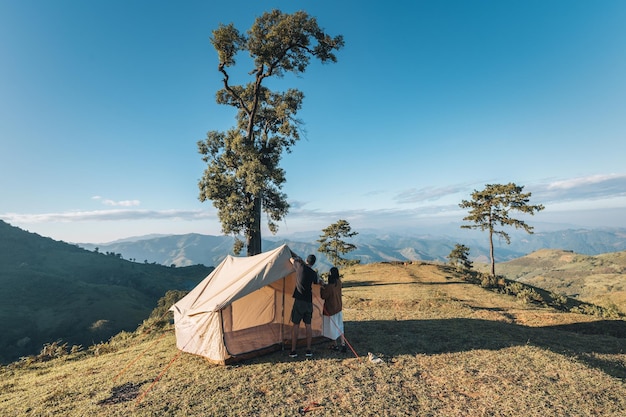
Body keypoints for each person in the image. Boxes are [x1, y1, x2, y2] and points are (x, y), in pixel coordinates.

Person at [289, 254, 319, 358]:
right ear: (313, 263)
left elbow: (291, 259)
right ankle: (308, 350)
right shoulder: (313, 273)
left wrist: (297, 258)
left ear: (306, 260)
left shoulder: (300, 266)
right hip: (308, 302)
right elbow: (316, 282)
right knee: (308, 325)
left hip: (299, 300)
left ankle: (293, 350)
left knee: (295, 325)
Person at [320, 267, 346, 352]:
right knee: (340, 327)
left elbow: (323, 296)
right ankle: (343, 343)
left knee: (332, 328)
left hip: (331, 309)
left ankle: (334, 344)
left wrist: (322, 287)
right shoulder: (339, 282)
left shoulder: (330, 287)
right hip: (338, 308)